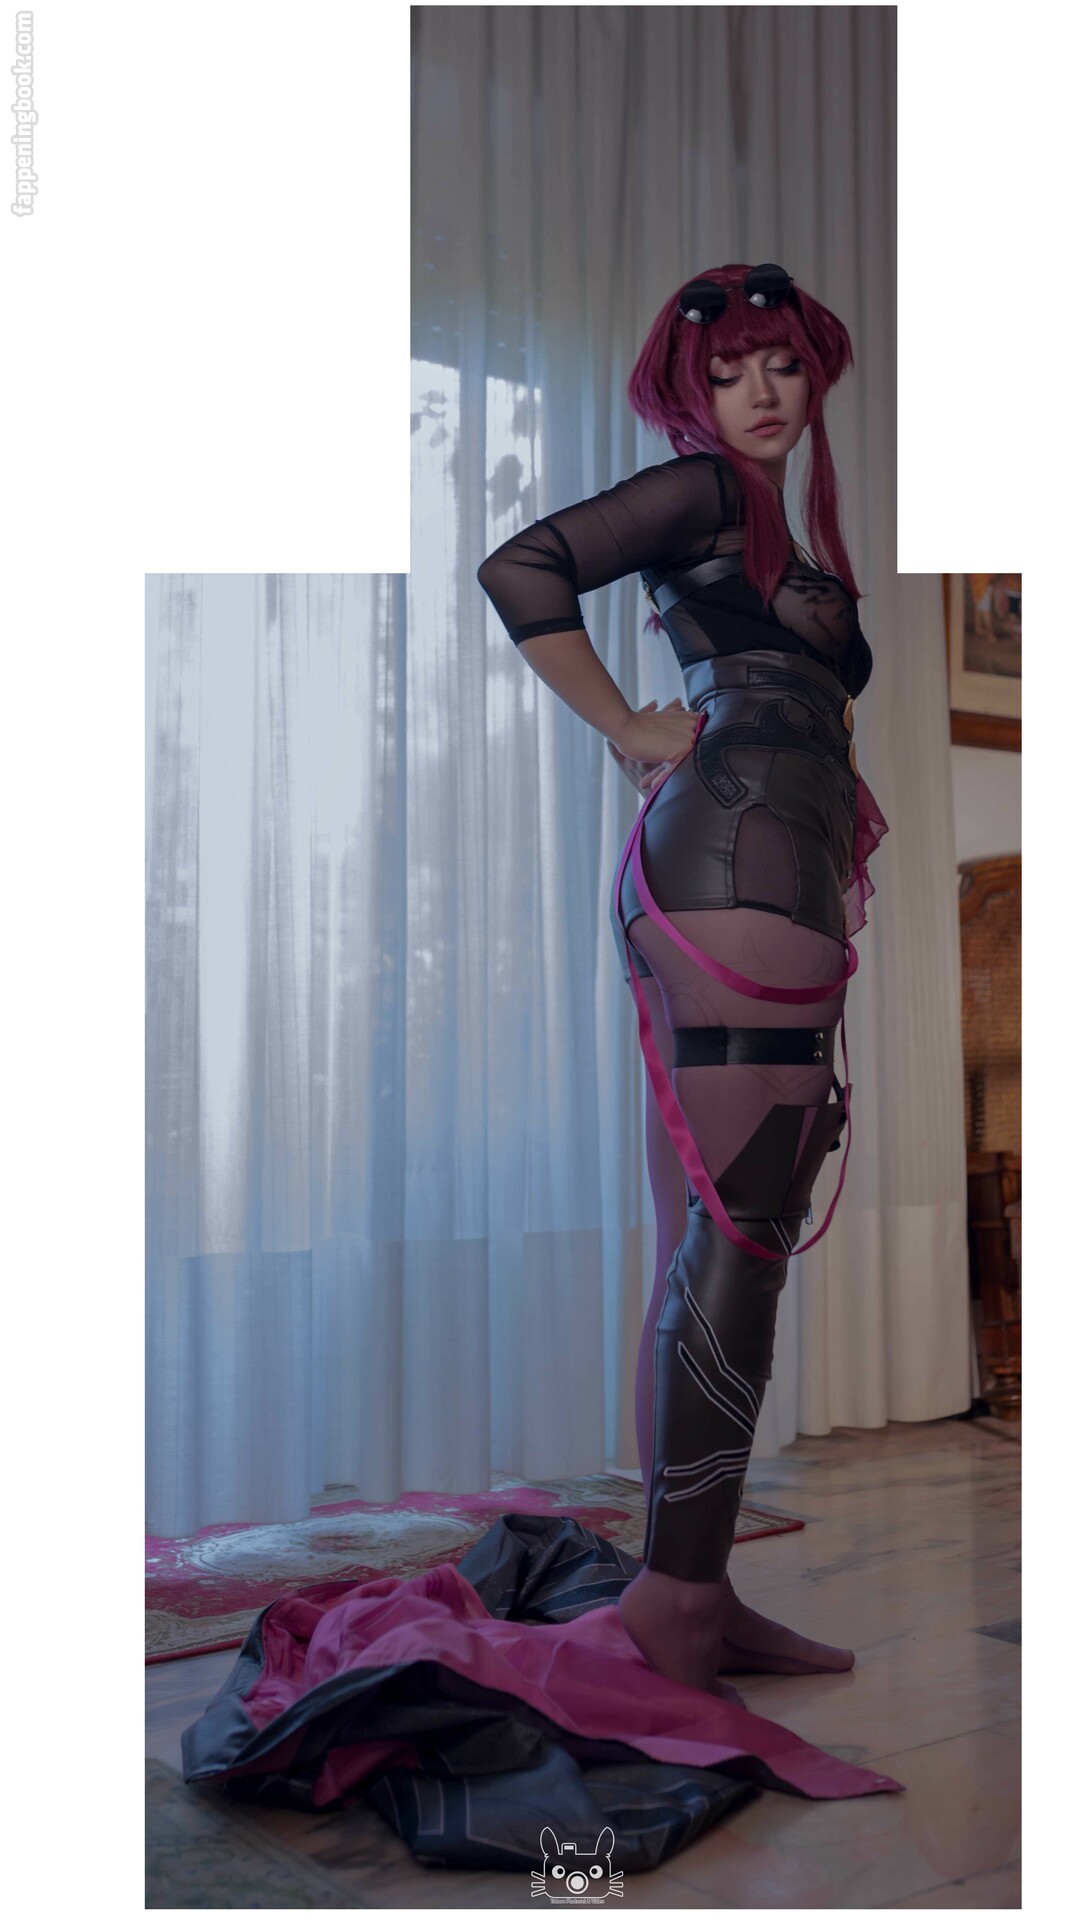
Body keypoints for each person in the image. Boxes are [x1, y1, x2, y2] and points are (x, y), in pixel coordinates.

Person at [477, 262, 889, 1695]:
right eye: (728, 373)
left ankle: (687, 1588)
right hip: (738, 862)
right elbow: (522, 566)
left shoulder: (766, 520)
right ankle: (679, 1611)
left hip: (743, 858)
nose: (760, 393)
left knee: (704, 1232)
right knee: (739, 1231)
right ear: (691, 394)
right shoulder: (709, 490)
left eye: (780, 366)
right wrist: (625, 725)